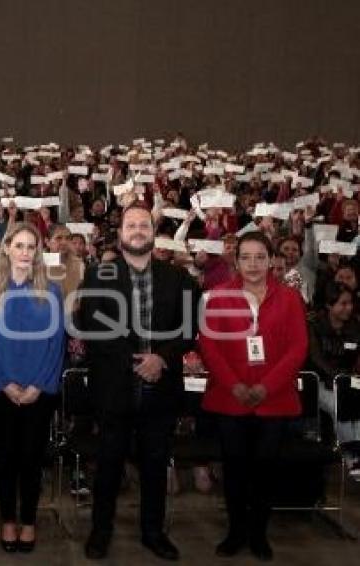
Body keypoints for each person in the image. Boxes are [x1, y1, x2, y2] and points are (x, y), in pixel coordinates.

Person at [79, 204, 199, 561]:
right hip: (114, 386)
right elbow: (91, 325)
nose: (137, 230)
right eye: (130, 225)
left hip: (161, 386)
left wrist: (159, 358)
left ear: (153, 231)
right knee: (109, 465)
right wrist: (136, 363)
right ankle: (101, 532)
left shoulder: (178, 278)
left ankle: (153, 531)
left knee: (154, 464)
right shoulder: (98, 274)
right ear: (120, 233)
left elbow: (190, 328)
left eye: (143, 225)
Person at [198, 230, 308, 561]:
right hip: (230, 397)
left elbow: (298, 347)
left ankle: (259, 534)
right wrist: (234, 385)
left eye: (260, 256)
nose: (253, 264)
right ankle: (235, 532)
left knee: (264, 470)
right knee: (234, 469)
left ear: (272, 259)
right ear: (236, 260)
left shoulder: (289, 297)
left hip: (273, 400)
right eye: (245, 257)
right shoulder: (216, 295)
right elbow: (208, 345)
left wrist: (266, 386)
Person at [0, 222, 65, 554]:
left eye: (32, 247)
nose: (26, 252)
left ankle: (29, 521)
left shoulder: (52, 292)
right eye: (20, 246)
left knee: (31, 459)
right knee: (6, 459)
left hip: (39, 392)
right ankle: (8, 521)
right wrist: (4, 384)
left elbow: (57, 344)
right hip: (1, 391)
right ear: (7, 249)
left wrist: (39, 385)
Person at [307, 281, 360, 477]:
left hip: (349, 382)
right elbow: (316, 359)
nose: (349, 307)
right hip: (320, 382)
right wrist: (340, 377)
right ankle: (353, 459)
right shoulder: (313, 324)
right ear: (330, 305)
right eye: (343, 304)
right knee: (343, 407)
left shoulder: (355, 325)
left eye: (350, 303)